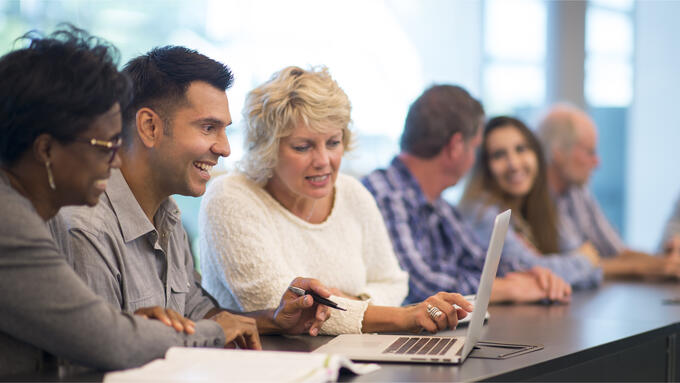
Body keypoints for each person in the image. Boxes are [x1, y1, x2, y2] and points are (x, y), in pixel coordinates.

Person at [0, 26, 260, 376]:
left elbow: (102, 334)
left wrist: (135, 328)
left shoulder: (35, 213)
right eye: (105, 146)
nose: (118, 160)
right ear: (46, 149)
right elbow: (104, 345)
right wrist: (197, 333)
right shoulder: (15, 222)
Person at [49, 46, 331, 342]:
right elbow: (103, 351)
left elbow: (197, 314)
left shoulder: (167, 214)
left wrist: (274, 319)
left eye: (224, 131)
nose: (224, 148)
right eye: (208, 128)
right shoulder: (86, 228)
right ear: (150, 126)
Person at [200, 66, 474, 336]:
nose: (323, 161)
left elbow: (393, 281)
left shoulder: (351, 192)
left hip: (350, 356)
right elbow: (281, 307)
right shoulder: (230, 196)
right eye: (303, 147)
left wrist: (355, 301)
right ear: (267, 149)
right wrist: (402, 316)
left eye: (333, 142)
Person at [362, 85, 572, 305]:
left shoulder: (440, 205)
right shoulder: (387, 196)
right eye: (474, 147)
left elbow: (481, 261)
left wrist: (534, 276)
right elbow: (417, 286)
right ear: (455, 146)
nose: (474, 160)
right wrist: (508, 288)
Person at [537, 103, 680, 279]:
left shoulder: (578, 193)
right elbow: (576, 265)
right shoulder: (537, 200)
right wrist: (652, 266)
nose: (597, 162)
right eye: (590, 152)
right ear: (557, 152)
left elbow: (616, 251)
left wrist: (664, 262)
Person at [459, 116, 602, 288]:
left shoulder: (539, 203)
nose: (514, 164)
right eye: (498, 155)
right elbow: (531, 271)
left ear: (537, 155)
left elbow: (595, 271)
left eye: (521, 149)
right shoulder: (480, 212)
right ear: (484, 167)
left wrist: (582, 264)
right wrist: (585, 261)